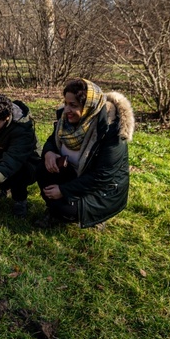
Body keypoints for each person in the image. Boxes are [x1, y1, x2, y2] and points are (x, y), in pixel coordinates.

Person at [36, 79, 134, 228]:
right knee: (41, 168)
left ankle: (96, 216)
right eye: (66, 103)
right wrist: (49, 152)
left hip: (101, 190)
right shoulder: (67, 119)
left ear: (89, 106)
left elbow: (103, 176)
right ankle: (53, 211)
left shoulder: (110, 130)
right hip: (75, 174)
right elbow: (53, 139)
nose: (66, 109)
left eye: (73, 105)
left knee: (66, 209)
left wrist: (63, 190)